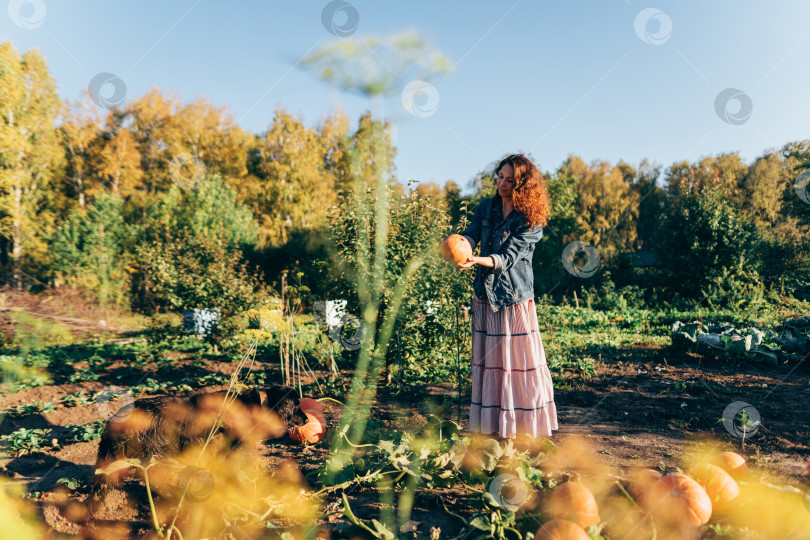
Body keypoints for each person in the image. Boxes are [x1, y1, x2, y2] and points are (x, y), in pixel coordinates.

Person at [457, 154, 558, 442]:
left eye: (509, 179)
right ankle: (491, 427)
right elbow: (471, 234)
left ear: (523, 184)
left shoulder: (530, 221)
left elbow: (508, 258)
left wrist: (476, 260)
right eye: (499, 176)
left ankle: (521, 428)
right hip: (485, 298)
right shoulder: (485, 207)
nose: (501, 183)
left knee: (516, 366)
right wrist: (461, 246)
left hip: (512, 300)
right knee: (490, 364)